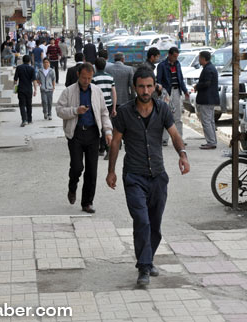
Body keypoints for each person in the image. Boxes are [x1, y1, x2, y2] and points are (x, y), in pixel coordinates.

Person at [106, 67, 190, 286]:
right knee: (141, 221)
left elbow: (174, 135)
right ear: (135, 88)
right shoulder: (124, 112)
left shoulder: (162, 109)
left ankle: (148, 259)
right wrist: (111, 171)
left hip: (158, 177)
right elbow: (115, 142)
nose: (145, 90)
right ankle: (143, 268)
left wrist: (183, 154)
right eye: (141, 86)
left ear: (155, 87)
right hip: (134, 176)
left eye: (149, 86)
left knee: (154, 224)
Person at [56, 63, 113, 214]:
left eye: (89, 78)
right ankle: (72, 186)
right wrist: (75, 111)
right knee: (77, 167)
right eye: (84, 78)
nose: (86, 81)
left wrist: (108, 131)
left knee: (91, 171)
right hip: (75, 134)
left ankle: (87, 202)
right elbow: (59, 110)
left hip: (93, 134)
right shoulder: (69, 92)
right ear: (78, 75)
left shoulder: (97, 91)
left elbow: (104, 112)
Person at [156, 47, 189, 146]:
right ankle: (164, 139)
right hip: (166, 92)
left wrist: (185, 90)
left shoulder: (178, 64)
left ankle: (179, 138)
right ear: (169, 55)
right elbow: (159, 80)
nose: (175, 58)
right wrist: (162, 92)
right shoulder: (162, 65)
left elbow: (181, 79)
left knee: (178, 116)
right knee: (165, 115)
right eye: (174, 56)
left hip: (176, 91)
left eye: (177, 57)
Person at [92, 57, 117, 160]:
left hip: (98, 105)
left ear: (95, 66)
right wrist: (114, 107)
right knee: (107, 127)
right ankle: (106, 148)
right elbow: (114, 93)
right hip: (109, 104)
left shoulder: (93, 78)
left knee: (99, 127)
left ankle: (103, 148)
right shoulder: (110, 77)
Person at [195, 51, 220, 149]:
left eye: (200, 58)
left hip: (207, 99)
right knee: (210, 121)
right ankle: (212, 140)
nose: (199, 60)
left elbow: (207, 83)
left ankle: (211, 142)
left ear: (203, 58)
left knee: (206, 121)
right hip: (209, 99)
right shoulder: (210, 68)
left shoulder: (208, 69)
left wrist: (197, 86)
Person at [14, 55, 38, 127]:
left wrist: (15, 88)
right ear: (29, 61)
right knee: (29, 104)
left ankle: (24, 120)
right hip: (29, 89)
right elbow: (34, 80)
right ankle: (29, 119)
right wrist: (35, 90)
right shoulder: (32, 69)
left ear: (22, 60)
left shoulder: (18, 68)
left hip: (21, 89)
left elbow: (15, 80)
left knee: (22, 105)